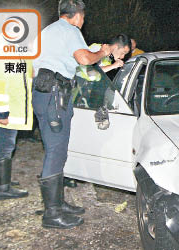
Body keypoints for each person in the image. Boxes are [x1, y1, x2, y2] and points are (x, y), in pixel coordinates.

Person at [32, 0, 111, 229]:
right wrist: (102, 52)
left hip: (44, 94)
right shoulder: (69, 30)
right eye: (83, 17)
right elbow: (84, 59)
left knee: (55, 149)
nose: (83, 21)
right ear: (77, 15)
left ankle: (57, 203)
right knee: (56, 151)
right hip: (55, 96)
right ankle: (52, 214)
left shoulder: (47, 31)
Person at [0, 50, 32, 201]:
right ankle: (3, 188)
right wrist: (2, 113)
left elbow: (17, 75)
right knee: (7, 145)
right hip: (6, 111)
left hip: (6, 109)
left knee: (3, 143)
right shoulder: (5, 53)